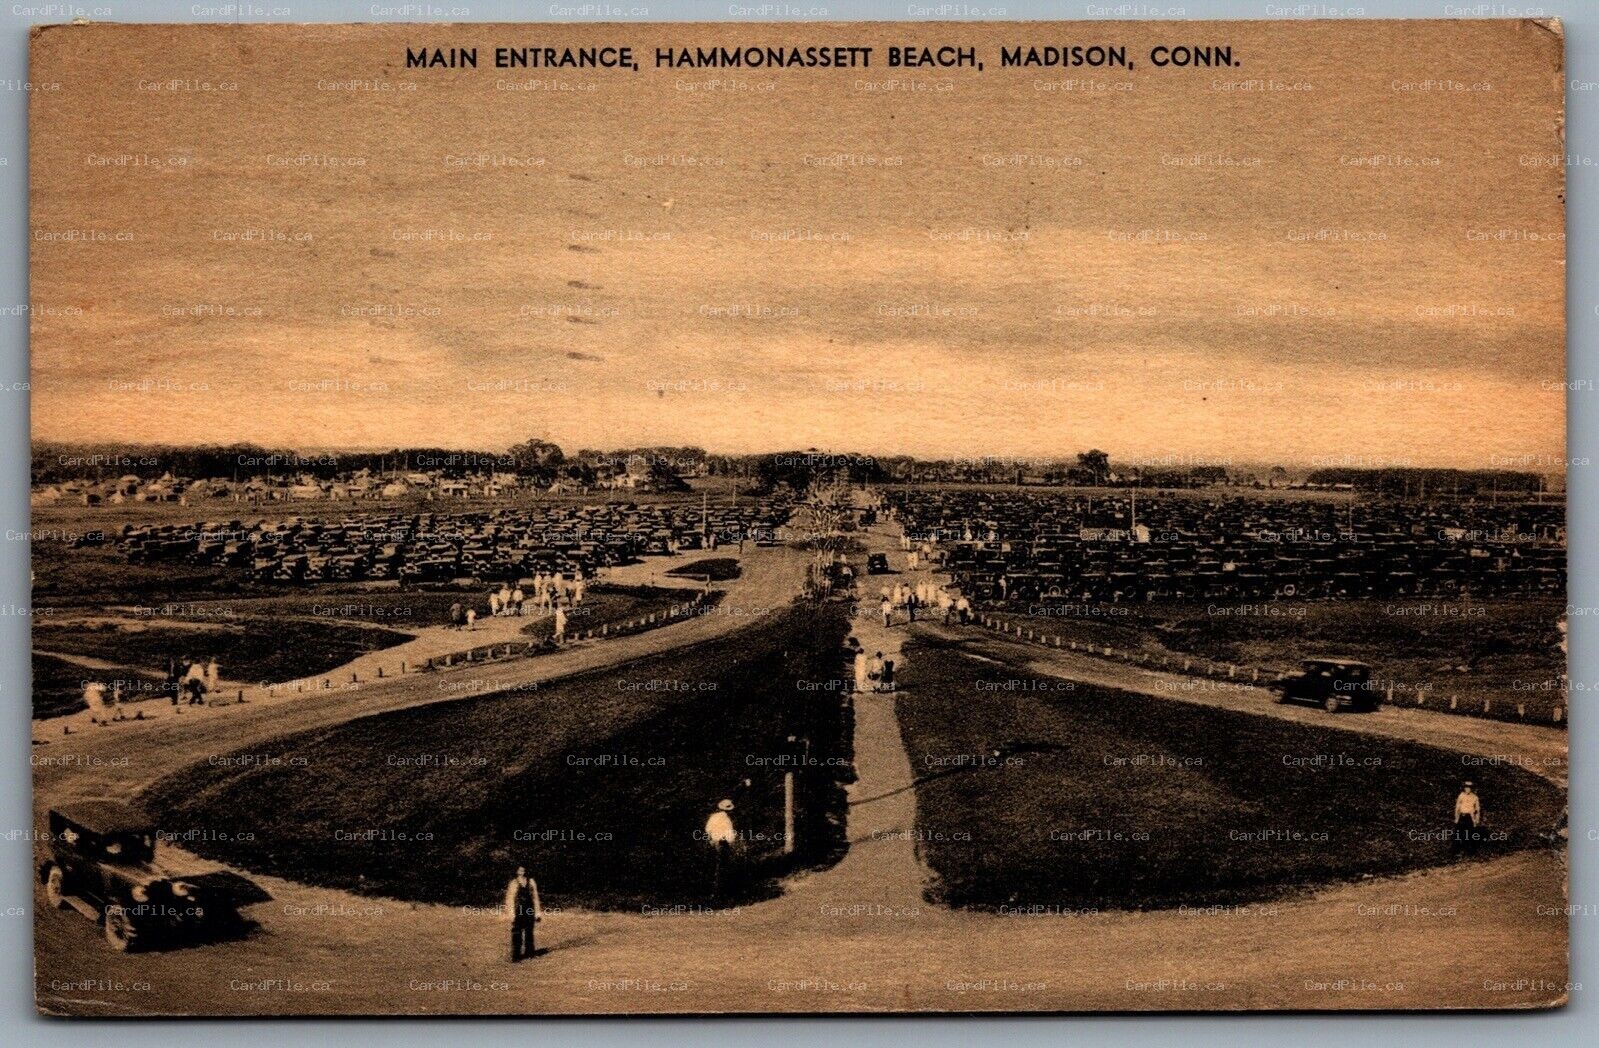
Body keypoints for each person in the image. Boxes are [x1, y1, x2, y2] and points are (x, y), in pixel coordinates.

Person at [504, 865, 542, 962]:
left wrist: (537, 912)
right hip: (518, 910)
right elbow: (510, 899)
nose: (522, 872)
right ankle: (516, 956)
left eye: (524, 870)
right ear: (517, 871)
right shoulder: (514, 883)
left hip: (529, 909)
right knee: (517, 932)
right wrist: (511, 914)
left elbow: (535, 897)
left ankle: (530, 953)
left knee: (529, 931)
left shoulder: (531, 882)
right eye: (520, 870)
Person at [704, 799, 738, 898]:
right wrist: (731, 843)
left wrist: (711, 840)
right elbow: (730, 836)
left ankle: (711, 892)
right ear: (729, 810)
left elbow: (708, 830)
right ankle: (719, 892)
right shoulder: (727, 820)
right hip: (722, 844)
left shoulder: (713, 817)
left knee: (712, 866)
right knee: (722, 868)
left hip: (712, 843)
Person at [1454, 781, 1483, 853]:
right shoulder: (1461, 795)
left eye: (1469, 788)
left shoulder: (1475, 797)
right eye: (1466, 787)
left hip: (1470, 817)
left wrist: (1476, 820)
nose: (1467, 789)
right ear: (1464, 788)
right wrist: (1456, 818)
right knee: (1458, 833)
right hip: (1462, 816)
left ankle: (1470, 850)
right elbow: (1457, 807)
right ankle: (1457, 850)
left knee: (1469, 834)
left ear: (1471, 789)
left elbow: (1477, 809)